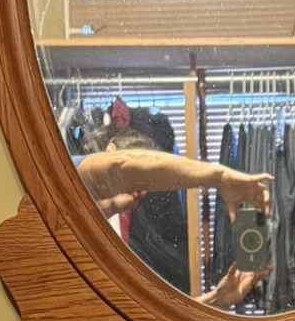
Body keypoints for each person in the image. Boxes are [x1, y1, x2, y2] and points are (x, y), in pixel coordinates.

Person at [75, 129, 274, 311]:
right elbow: (119, 167)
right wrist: (219, 177)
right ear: (109, 151)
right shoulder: (58, 181)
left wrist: (216, 300)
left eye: (145, 189)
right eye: (138, 180)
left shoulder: (102, 233)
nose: (139, 193)